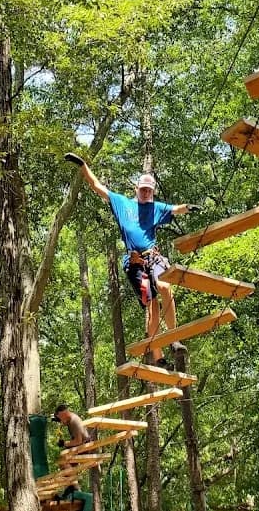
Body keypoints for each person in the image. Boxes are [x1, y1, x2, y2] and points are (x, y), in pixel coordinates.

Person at [66, 154, 199, 370]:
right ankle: (159, 356)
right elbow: (96, 186)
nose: (146, 193)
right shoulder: (122, 203)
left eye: (149, 190)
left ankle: (174, 339)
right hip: (135, 265)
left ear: (152, 192)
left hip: (153, 257)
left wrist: (188, 207)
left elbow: (175, 209)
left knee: (165, 286)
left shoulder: (155, 207)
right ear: (136, 188)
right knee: (151, 303)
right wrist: (82, 165)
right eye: (143, 189)